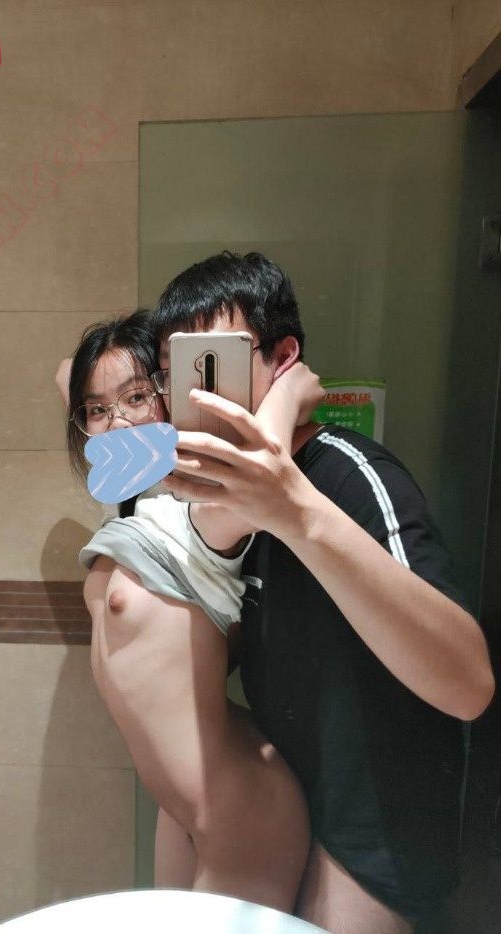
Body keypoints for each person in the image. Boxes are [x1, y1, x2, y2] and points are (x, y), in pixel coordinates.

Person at [148, 250, 496, 933]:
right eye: (176, 369)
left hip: (376, 835)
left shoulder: (348, 476)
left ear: (282, 359)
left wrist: (295, 513)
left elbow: (469, 684)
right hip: (283, 801)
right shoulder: (205, 501)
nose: (194, 392)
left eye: (214, 361)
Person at [55, 309, 325, 911]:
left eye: (136, 398)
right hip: (182, 808)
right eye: (97, 410)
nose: (116, 422)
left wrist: (289, 392)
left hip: (242, 815)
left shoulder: (207, 511)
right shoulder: (140, 503)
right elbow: (67, 373)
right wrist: (126, 384)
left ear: (171, 396)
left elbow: (265, 469)